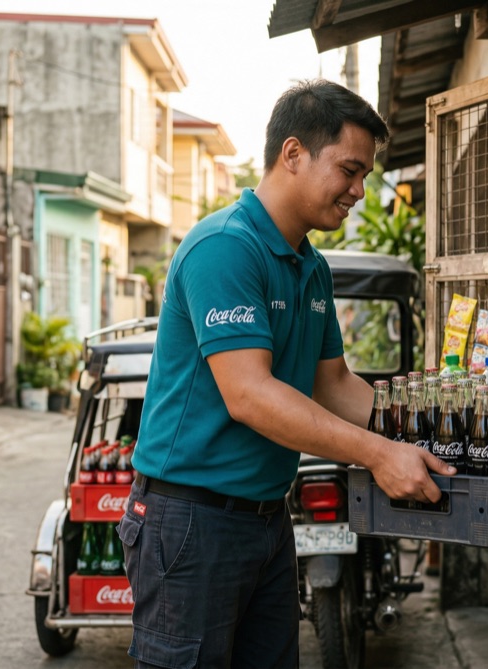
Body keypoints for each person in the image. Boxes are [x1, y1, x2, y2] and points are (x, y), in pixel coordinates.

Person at [118, 80, 455, 669]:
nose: (357, 190)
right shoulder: (225, 248)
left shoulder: (312, 267)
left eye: (364, 176)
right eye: (349, 169)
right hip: (190, 521)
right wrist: (378, 454)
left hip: (267, 518)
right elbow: (250, 394)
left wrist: (428, 426)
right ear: (293, 153)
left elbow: (334, 387)